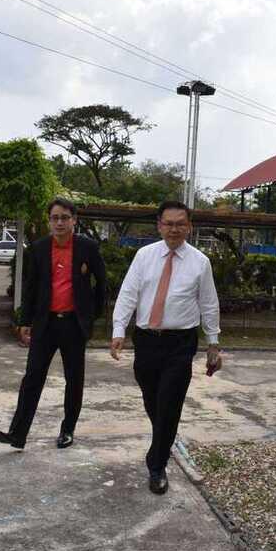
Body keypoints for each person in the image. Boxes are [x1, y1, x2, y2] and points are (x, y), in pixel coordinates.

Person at [111, 201, 222, 495]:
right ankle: (163, 438)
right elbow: (128, 293)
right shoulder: (144, 256)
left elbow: (209, 304)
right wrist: (118, 330)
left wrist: (213, 343)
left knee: (170, 402)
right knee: (153, 400)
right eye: (168, 223)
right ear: (159, 226)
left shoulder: (200, 262)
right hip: (146, 340)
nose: (174, 229)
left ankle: (157, 464)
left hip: (180, 343)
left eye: (180, 224)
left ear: (189, 227)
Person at [0, 198, 106, 450]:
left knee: (74, 380)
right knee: (32, 377)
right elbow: (31, 287)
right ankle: (18, 433)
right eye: (55, 218)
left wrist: (91, 317)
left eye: (65, 217)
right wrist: (25, 321)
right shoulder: (39, 248)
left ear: (74, 220)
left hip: (74, 325)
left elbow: (102, 285)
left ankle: (67, 430)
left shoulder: (88, 248)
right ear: (49, 221)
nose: (60, 222)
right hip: (45, 324)